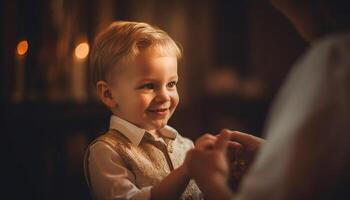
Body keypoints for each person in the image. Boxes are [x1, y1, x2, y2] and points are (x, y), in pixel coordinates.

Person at [187, 0, 350, 199]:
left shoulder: (336, 60)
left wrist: (210, 181)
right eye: (148, 85)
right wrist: (273, 155)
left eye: (171, 84)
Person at [84, 21, 202, 200]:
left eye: (171, 84)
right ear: (109, 94)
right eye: (149, 86)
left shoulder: (186, 146)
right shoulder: (106, 152)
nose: (164, 97)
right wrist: (186, 171)